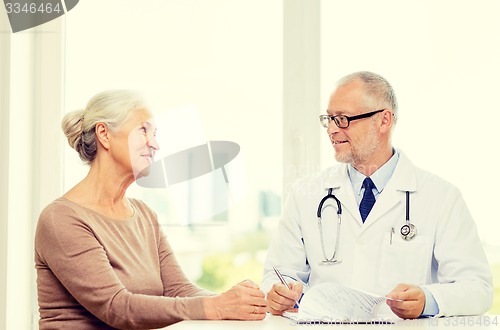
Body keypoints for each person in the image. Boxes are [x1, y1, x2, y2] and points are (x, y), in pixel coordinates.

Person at [261, 71, 493, 319]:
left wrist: (428, 300)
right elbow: (277, 276)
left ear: (383, 121)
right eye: (328, 119)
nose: (331, 130)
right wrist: (278, 294)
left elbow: (477, 288)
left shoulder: (441, 197)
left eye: (342, 119)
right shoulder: (305, 194)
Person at [35, 90, 267, 329]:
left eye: (154, 134)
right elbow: (117, 307)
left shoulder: (144, 214)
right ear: (104, 134)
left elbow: (179, 290)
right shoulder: (62, 219)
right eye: (143, 130)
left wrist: (246, 304)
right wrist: (216, 307)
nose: (154, 144)